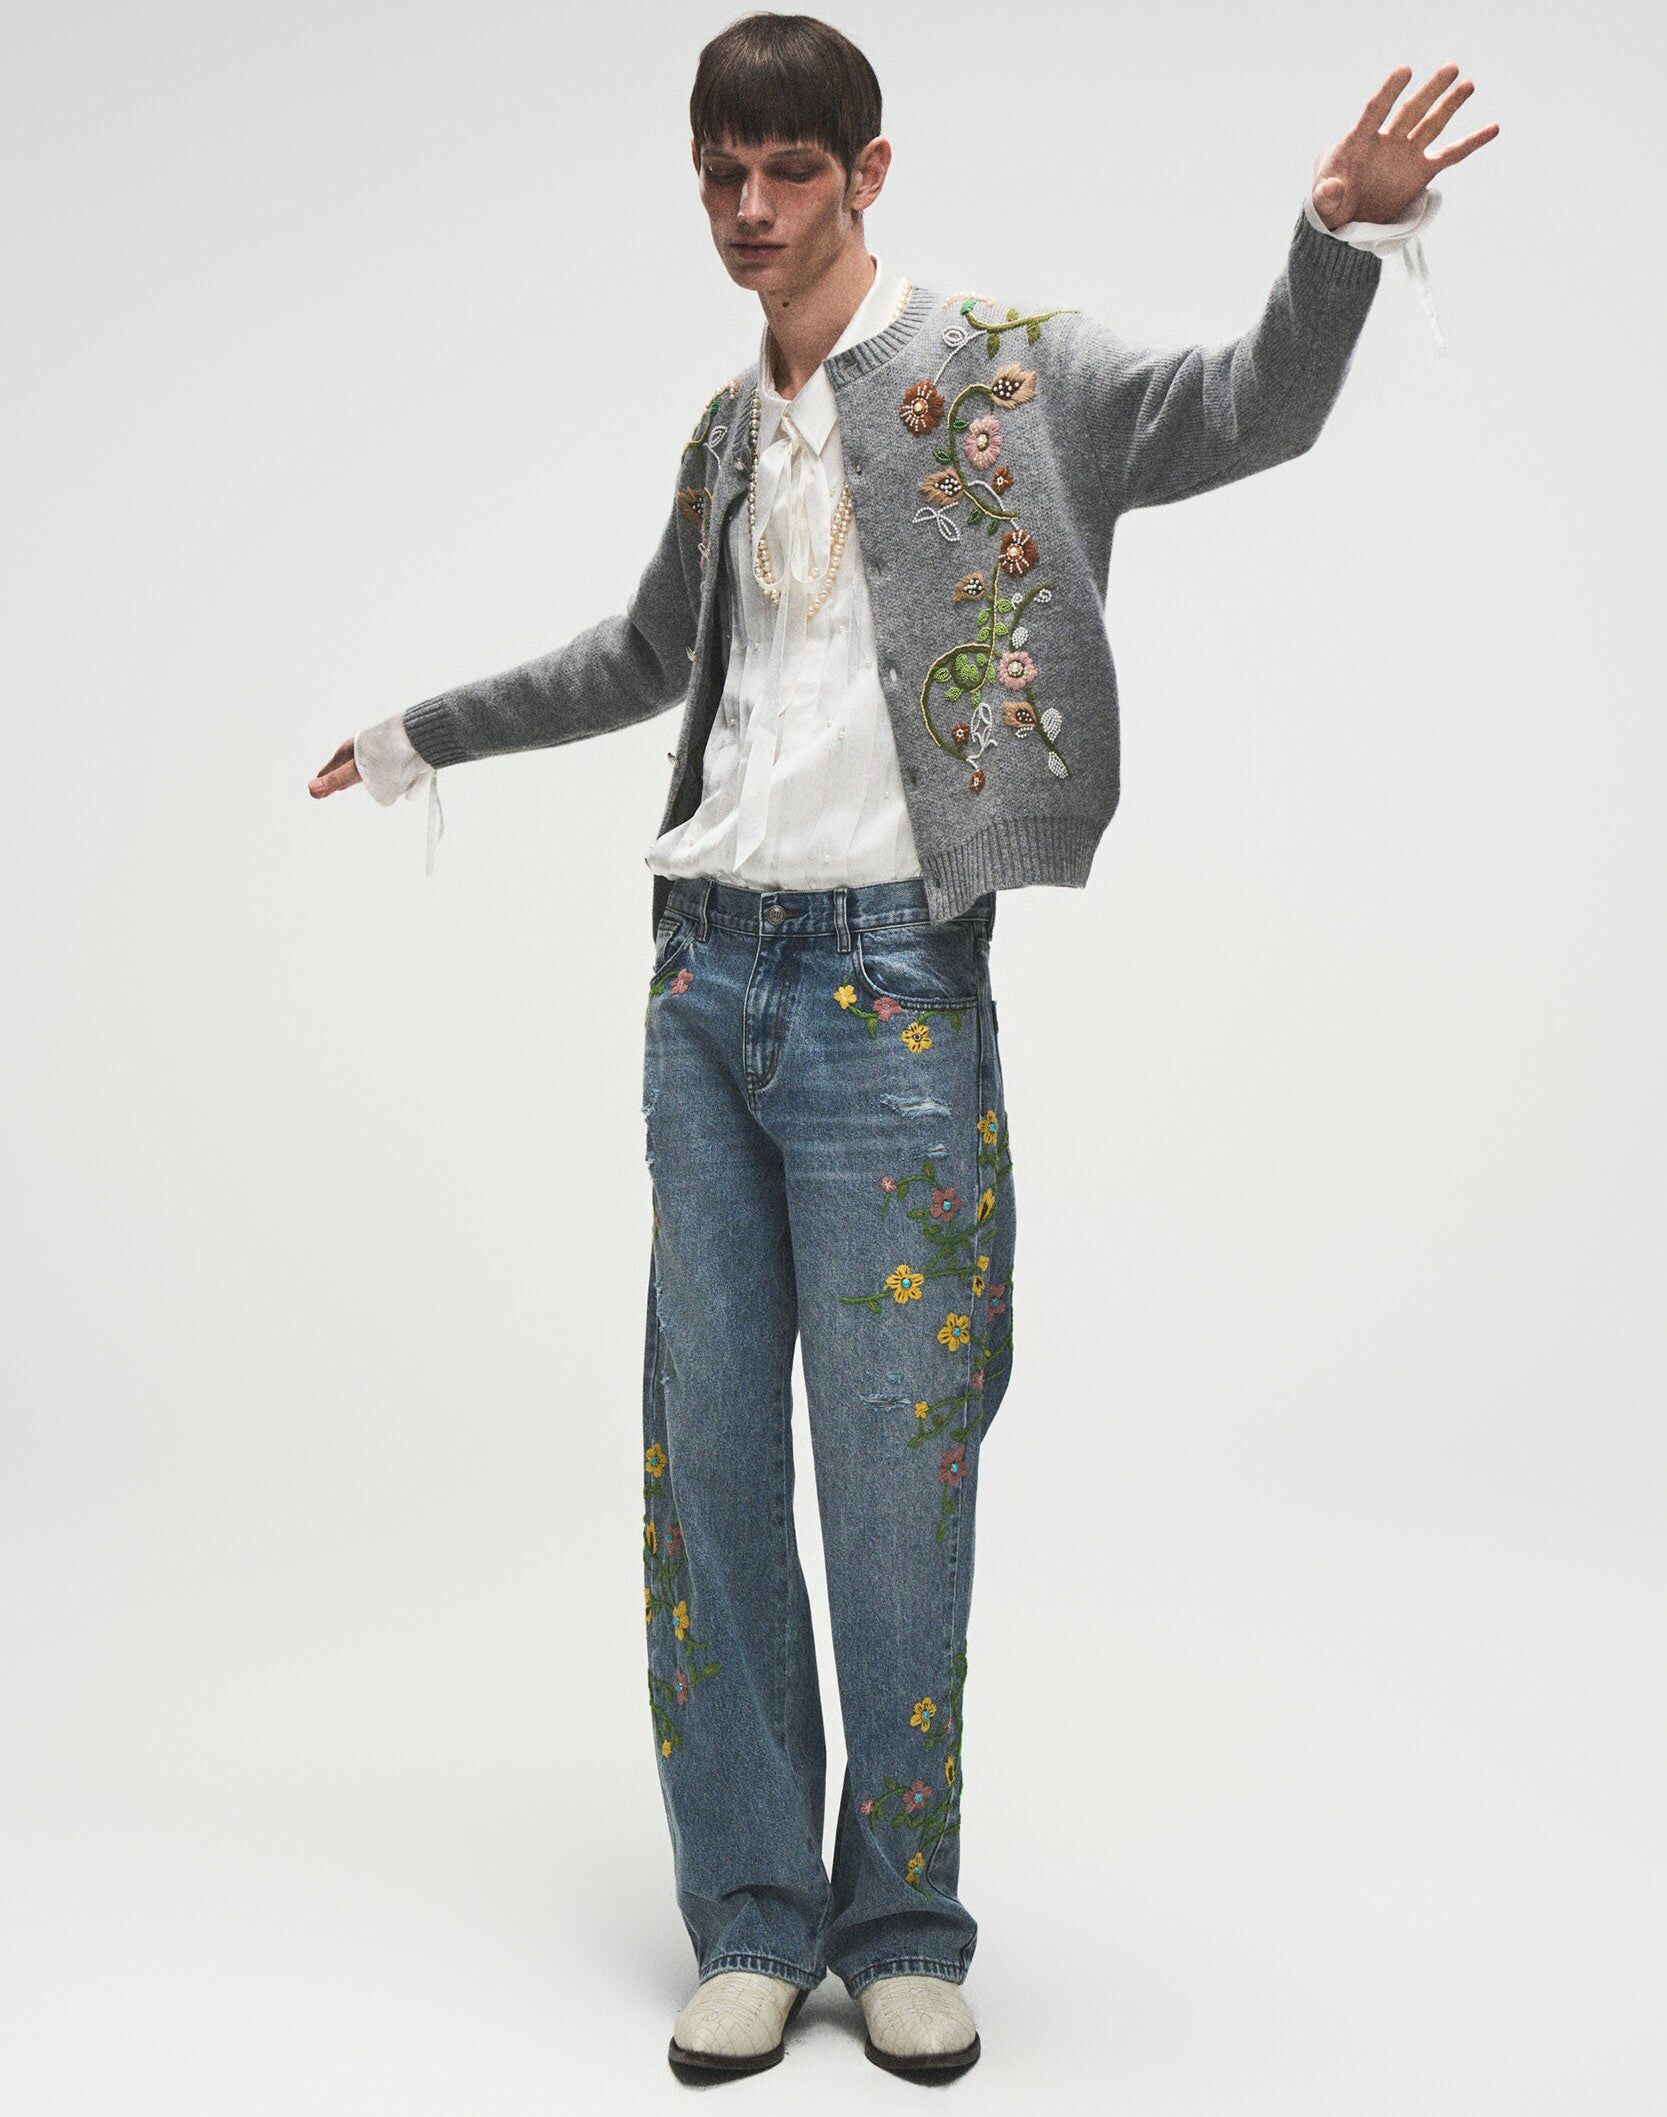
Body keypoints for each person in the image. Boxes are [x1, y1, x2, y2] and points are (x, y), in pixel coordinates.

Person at [308, 12, 1496, 2084]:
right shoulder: (724, 431)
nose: (752, 209)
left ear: (869, 172)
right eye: (722, 174)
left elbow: (1246, 409)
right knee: (708, 1471)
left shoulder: (1017, 371)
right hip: (702, 992)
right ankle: (755, 1917)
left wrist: (1336, 241)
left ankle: (905, 1919)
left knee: (898, 1469)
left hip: (891, 998)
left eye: (791, 171)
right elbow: (648, 652)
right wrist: (426, 734)